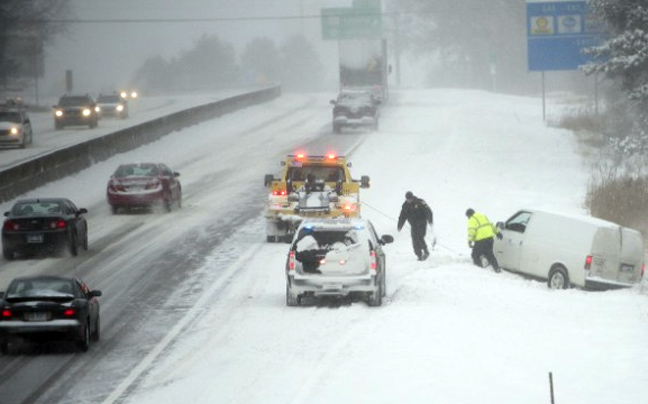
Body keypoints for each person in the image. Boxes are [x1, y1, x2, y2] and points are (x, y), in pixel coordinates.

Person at [398, 191, 434, 261]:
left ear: (412, 197)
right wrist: (400, 225)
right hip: (413, 225)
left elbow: (428, 211)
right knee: (414, 239)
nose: (409, 200)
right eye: (408, 199)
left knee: (420, 237)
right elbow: (402, 216)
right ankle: (419, 255)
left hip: (422, 223)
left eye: (410, 199)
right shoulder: (405, 206)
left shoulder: (420, 202)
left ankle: (426, 251)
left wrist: (430, 221)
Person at [465, 208, 503, 272]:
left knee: (475, 255)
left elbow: (471, 231)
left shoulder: (472, 219)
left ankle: (479, 270)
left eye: (467, 217)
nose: (468, 218)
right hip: (490, 239)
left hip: (481, 240)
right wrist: (497, 232)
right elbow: (491, 225)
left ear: (469, 215)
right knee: (490, 254)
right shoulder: (483, 216)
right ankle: (497, 269)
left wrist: (470, 241)